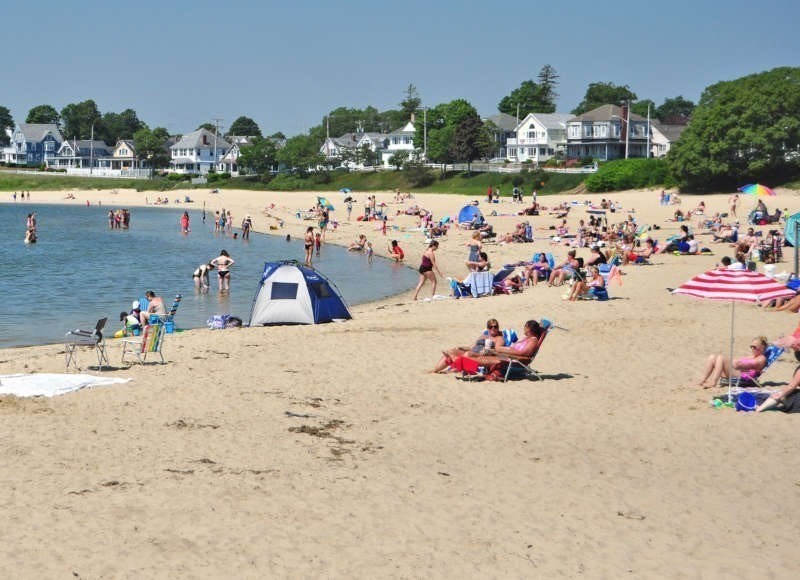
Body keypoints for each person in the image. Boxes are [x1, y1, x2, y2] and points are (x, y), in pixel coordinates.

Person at [436, 319, 547, 376]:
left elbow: (524, 355)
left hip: (510, 359)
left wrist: (504, 352)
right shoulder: (526, 338)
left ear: (528, 329)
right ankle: (457, 362)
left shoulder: (533, 340)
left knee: (472, 358)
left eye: (525, 327)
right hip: (505, 357)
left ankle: (456, 362)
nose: (524, 329)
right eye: (490, 327)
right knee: (474, 359)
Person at [431, 319, 509, 373]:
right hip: (472, 351)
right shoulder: (483, 336)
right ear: (487, 328)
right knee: (452, 351)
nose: (493, 328)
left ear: (498, 327)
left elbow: (497, 351)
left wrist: (487, 351)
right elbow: (471, 347)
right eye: (490, 327)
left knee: (468, 354)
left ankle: (455, 366)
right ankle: (435, 370)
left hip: (482, 355)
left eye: (495, 326)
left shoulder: (499, 338)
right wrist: (460, 347)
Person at [690, 336, 768, 388]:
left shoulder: (761, 359)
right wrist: (735, 363)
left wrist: (739, 365)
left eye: (754, 347)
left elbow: (751, 365)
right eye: (751, 346)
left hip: (745, 377)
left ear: (762, 347)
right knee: (712, 357)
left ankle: (713, 382)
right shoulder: (752, 356)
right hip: (737, 372)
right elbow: (736, 362)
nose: (752, 349)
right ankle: (702, 380)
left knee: (721, 358)